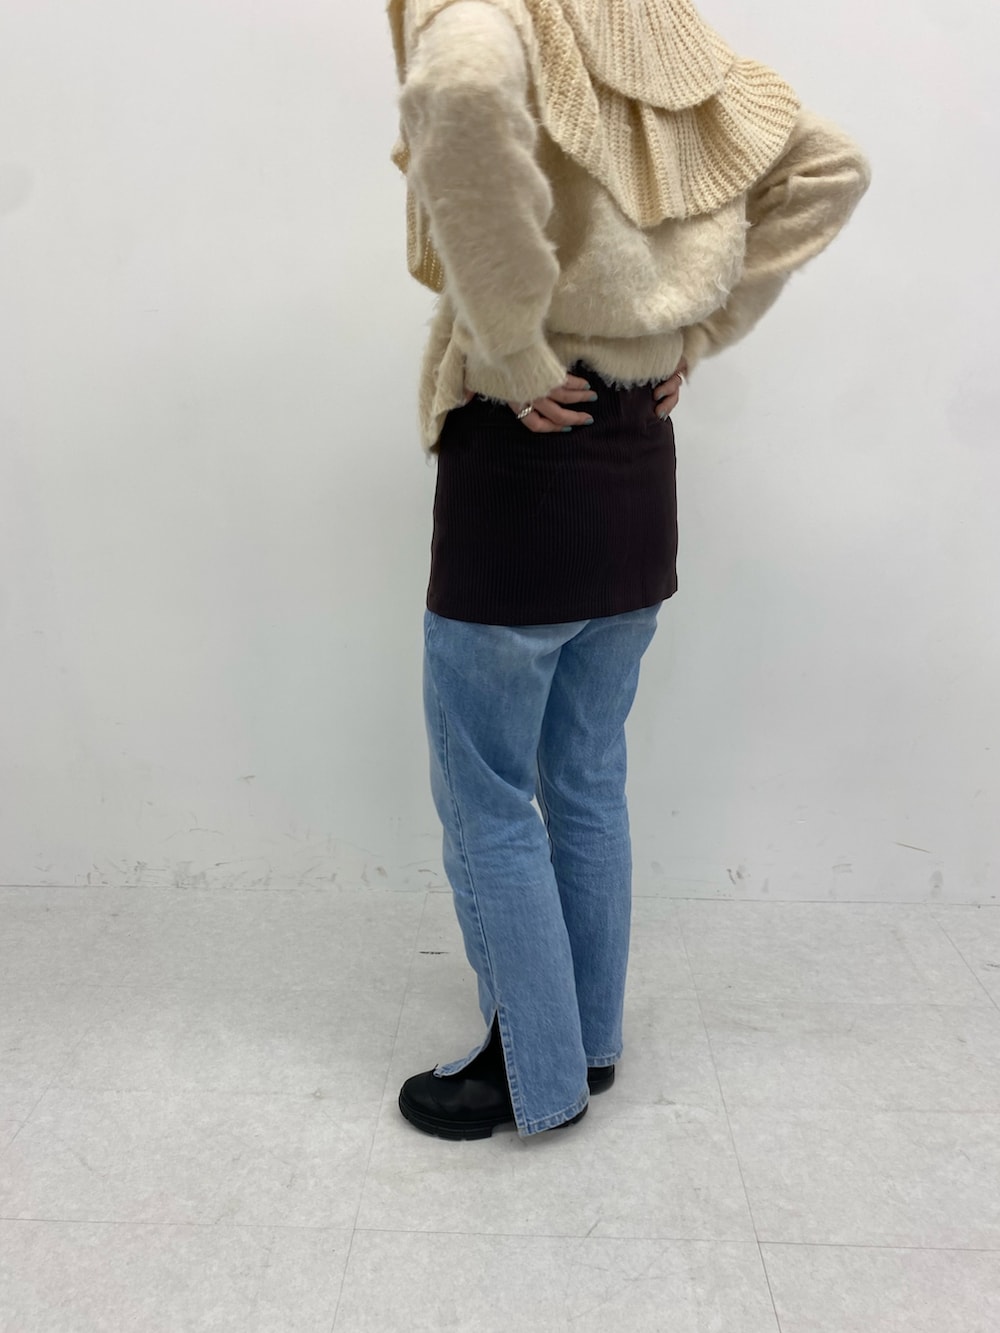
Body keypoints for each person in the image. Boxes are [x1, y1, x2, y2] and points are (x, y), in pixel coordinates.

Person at [386, 0, 870, 1140]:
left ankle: (532, 1073)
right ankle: (587, 1042)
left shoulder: (494, 16)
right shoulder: (654, 27)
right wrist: (692, 327)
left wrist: (511, 347)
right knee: (588, 778)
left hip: (525, 458)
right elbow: (830, 166)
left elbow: (457, 87)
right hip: (638, 461)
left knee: (488, 792)